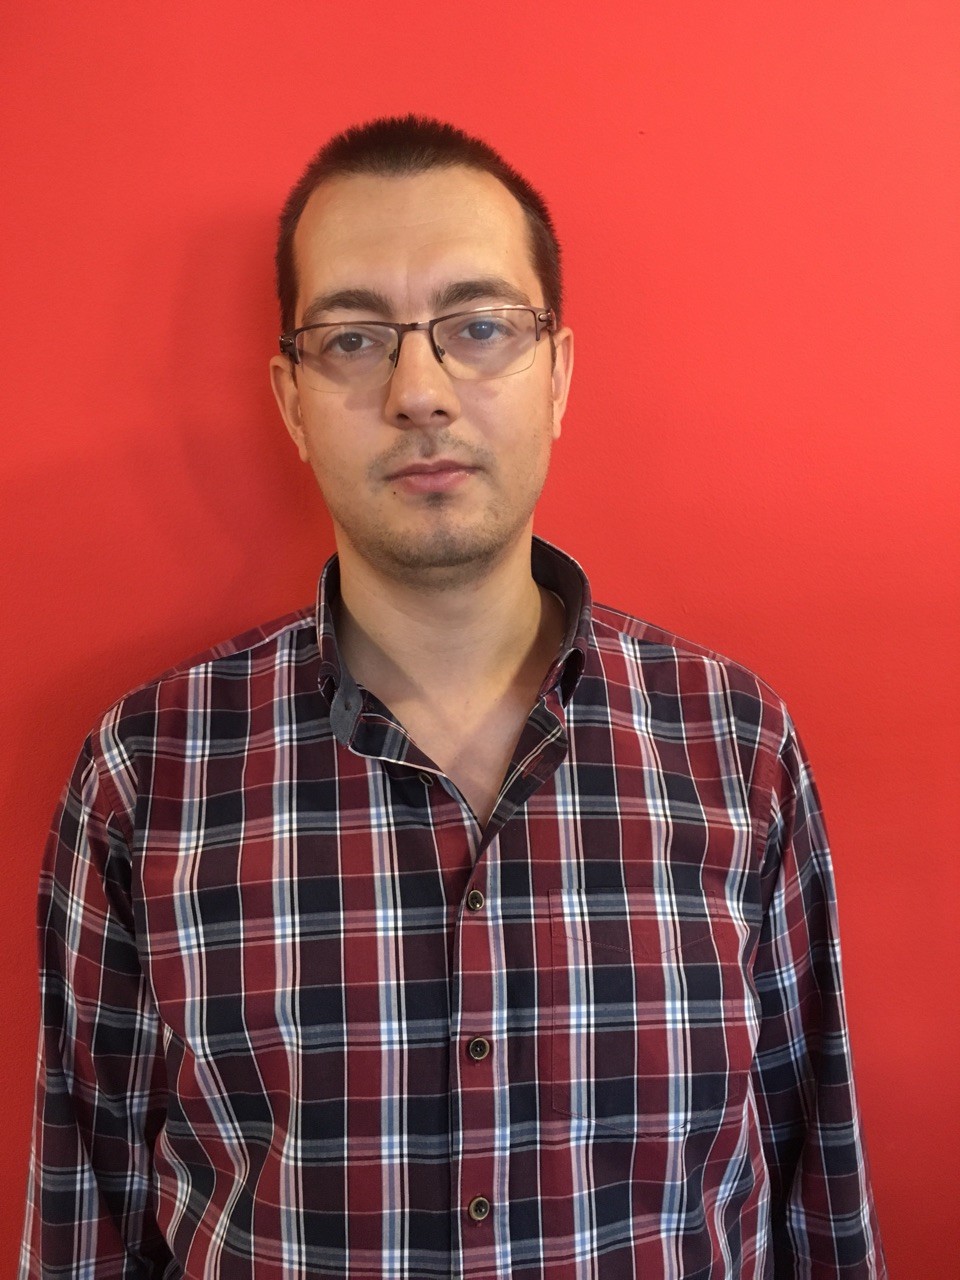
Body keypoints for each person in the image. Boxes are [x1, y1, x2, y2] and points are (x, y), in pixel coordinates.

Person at [20, 115, 886, 1279]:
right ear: (290, 398)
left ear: (558, 373)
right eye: (353, 338)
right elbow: (86, 1223)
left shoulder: (737, 747)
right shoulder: (147, 775)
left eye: (478, 327)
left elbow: (816, 1200)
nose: (420, 392)